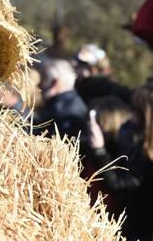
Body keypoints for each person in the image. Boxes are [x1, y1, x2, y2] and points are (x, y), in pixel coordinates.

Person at [89, 78, 153, 240]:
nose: (131, 115)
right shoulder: (132, 136)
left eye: (136, 110)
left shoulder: (147, 157)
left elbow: (119, 185)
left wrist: (99, 150)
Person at [34, 58, 88, 143]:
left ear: (54, 82)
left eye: (44, 79)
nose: (39, 85)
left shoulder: (70, 113)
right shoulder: (61, 105)